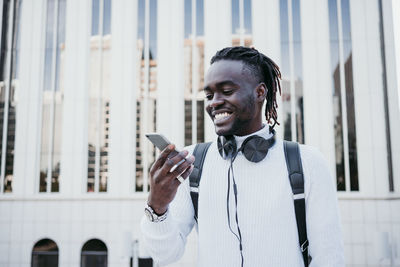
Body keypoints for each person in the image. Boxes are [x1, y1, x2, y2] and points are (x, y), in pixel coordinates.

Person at [141, 46, 345, 266]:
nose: (214, 102)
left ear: (260, 92)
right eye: (209, 95)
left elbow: (329, 257)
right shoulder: (191, 162)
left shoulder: (308, 162)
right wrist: (157, 206)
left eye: (227, 91)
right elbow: (165, 255)